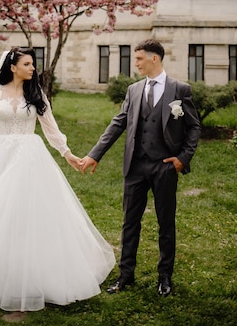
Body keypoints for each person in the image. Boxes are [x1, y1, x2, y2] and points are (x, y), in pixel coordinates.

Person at [0, 47, 115, 312]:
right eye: (27, 64)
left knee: (33, 212)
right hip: (2, 156)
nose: (32, 68)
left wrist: (67, 153)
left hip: (30, 157)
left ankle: (38, 274)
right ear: (13, 67)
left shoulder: (35, 93)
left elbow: (50, 127)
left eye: (33, 64)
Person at [80, 39, 201, 297]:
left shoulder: (180, 89)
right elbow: (118, 123)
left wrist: (183, 158)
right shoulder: (134, 90)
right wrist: (95, 154)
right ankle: (126, 276)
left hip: (165, 166)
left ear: (154, 59)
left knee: (165, 223)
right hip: (135, 166)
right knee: (129, 223)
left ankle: (165, 277)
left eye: (139, 59)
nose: (135, 64)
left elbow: (194, 127)